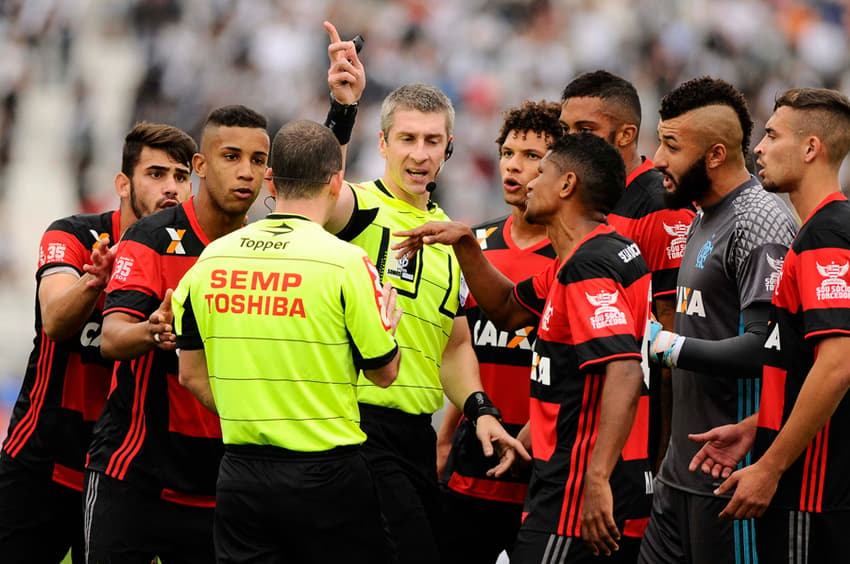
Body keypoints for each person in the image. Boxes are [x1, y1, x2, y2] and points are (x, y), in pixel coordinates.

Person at [321, 23, 528, 564]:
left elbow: (455, 345)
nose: (419, 154)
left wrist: (481, 409)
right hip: (355, 428)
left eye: (432, 141)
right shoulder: (360, 207)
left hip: (415, 434)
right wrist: (344, 107)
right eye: (407, 139)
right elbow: (317, 194)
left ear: (449, 149)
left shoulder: (447, 234)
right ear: (383, 143)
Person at [396, 132, 654, 562]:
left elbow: (625, 370)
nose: (530, 181)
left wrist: (595, 478)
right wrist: (465, 242)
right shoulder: (595, 255)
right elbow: (508, 308)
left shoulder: (588, 265)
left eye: (543, 170)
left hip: (575, 489)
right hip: (569, 474)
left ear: (567, 185)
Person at [173, 119, 402, 564]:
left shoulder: (212, 257)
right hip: (327, 473)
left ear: (272, 181)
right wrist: (387, 331)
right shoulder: (345, 262)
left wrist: (257, 410)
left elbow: (189, 373)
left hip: (240, 472)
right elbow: (385, 373)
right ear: (336, 183)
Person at [0, 122, 196, 563]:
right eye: (157, 174)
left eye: (181, 177)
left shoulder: (186, 259)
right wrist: (95, 282)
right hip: (41, 461)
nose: (171, 188)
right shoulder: (72, 234)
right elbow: (54, 321)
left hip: (121, 473)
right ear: (122, 183)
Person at [83, 105, 270, 563]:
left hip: (224, 481)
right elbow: (112, 338)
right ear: (201, 167)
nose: (245, 172)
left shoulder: (266, 252)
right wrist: (152, 329)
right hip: (134, 474)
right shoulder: (151, 236)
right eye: (231, 156)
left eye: (258, 160)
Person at [638, 77, 798, 564]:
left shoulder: (760, 219)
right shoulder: (701, 216)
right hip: (677, 477)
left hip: (731, 478)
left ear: (715, 154)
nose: (658, 159)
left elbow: (765, 348)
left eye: (671, 145)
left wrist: (665, 346)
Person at [687, 88, 850, 563]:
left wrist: (772, 465)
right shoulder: (820, 232)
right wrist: (760, 427)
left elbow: (838, 365)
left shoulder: (826, 235)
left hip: (812, 490)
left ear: (810, 148)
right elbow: (809, 364)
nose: (757, 148)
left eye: (772, 135)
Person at [436, 100, 562, 563]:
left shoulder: (577, 257)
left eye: (532, 156)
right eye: (508, 152)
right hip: (475, 457)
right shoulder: (476, 243)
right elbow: (465, 350)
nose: (514, 165)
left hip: (542, 466)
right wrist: (448, 434)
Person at [560, 70, 696, 471]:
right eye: (565, 129)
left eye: (586, 129)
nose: (571, 140)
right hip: (579, 411)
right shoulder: (578, 198)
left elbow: (673, 335)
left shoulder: (659, 206)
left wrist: (663, 459)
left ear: (625, 134)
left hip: (635, 432)